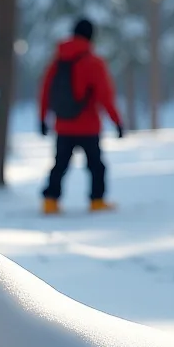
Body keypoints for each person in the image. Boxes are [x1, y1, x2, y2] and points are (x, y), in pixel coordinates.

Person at [37, 18, 124, 215]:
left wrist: (42, 118)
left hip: (63, 126)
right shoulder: (94, 62)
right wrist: (117, 121)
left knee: (59, 165)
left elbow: (45, 91)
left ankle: (50, 201)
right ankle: (97, 201)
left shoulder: (57, 61)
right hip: (88, 126)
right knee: (96, 166)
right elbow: (105, 96)